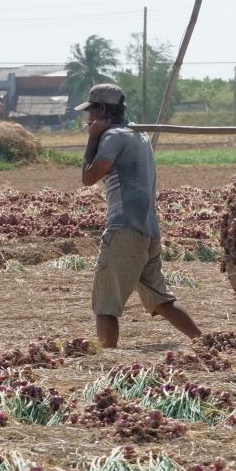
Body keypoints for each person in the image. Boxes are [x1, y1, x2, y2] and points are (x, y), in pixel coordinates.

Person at [75, 83, 202, 348]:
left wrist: (93, 138)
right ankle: (205, 343)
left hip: (124, 230)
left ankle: (106, 358)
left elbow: (88, 177)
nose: (88, 119)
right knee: (161, 300)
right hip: (148, 229)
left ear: (101, 110)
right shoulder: (138, 135)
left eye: (91, 112)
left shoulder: (113, 138)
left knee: (106, 304)